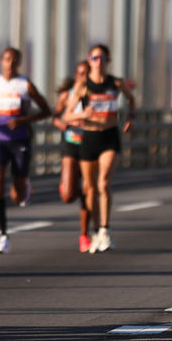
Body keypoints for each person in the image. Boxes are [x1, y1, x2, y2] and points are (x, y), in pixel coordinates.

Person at [0, 48, 51, 255]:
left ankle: (24, 184)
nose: (10, 63)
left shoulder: (25, 84)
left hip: (20, 141)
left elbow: (46, 111)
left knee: (17, 197)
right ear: (1, 61)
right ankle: (3, 235)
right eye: (7, 59)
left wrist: (24, 119)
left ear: (19, 63)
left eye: (15, 60)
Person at [62, 44, 135, 253]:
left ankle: (105, 229)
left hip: (110, 137)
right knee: (90, 189)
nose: (98, 62)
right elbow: (67, 115)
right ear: (89, 60)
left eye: (102, 58)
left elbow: (131, 99)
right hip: (89, 138)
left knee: (103, 183)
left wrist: (130, 117)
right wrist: (82, 115)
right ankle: (95, 231)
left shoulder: (116, 83)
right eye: (94, 58)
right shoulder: (82, 85)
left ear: (108, 60)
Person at [53, 61, 92, 251]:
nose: (83, 77)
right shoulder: (67, 96)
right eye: (80, 73)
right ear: (76, 75)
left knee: (86, 192)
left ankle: (84, 235)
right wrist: (62, 124)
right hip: (72, 144)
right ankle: (68, 185)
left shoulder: (95, 95)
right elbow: (55, 116)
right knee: (68, 196)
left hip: (90, 145)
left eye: (87, 74)